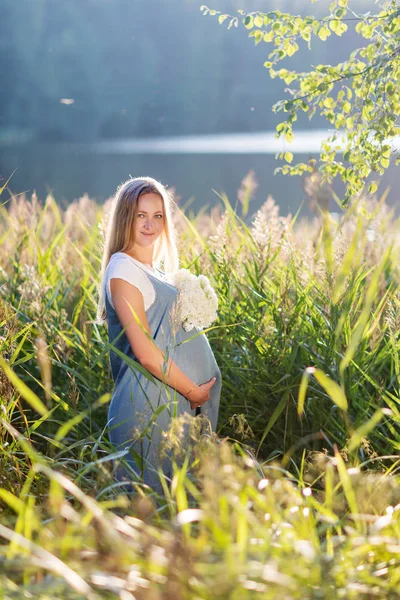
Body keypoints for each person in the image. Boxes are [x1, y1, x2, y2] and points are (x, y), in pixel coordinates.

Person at [97, 176, 221, 492]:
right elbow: (147, 354)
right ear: (126, 217)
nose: (150, 225)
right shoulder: (124, 270)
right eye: (141, 215)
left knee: (177, 513)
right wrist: (194, 392)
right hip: (148, 408)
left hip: (170, 404)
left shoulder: (152, 270)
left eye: (158, 216)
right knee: (150, 512)